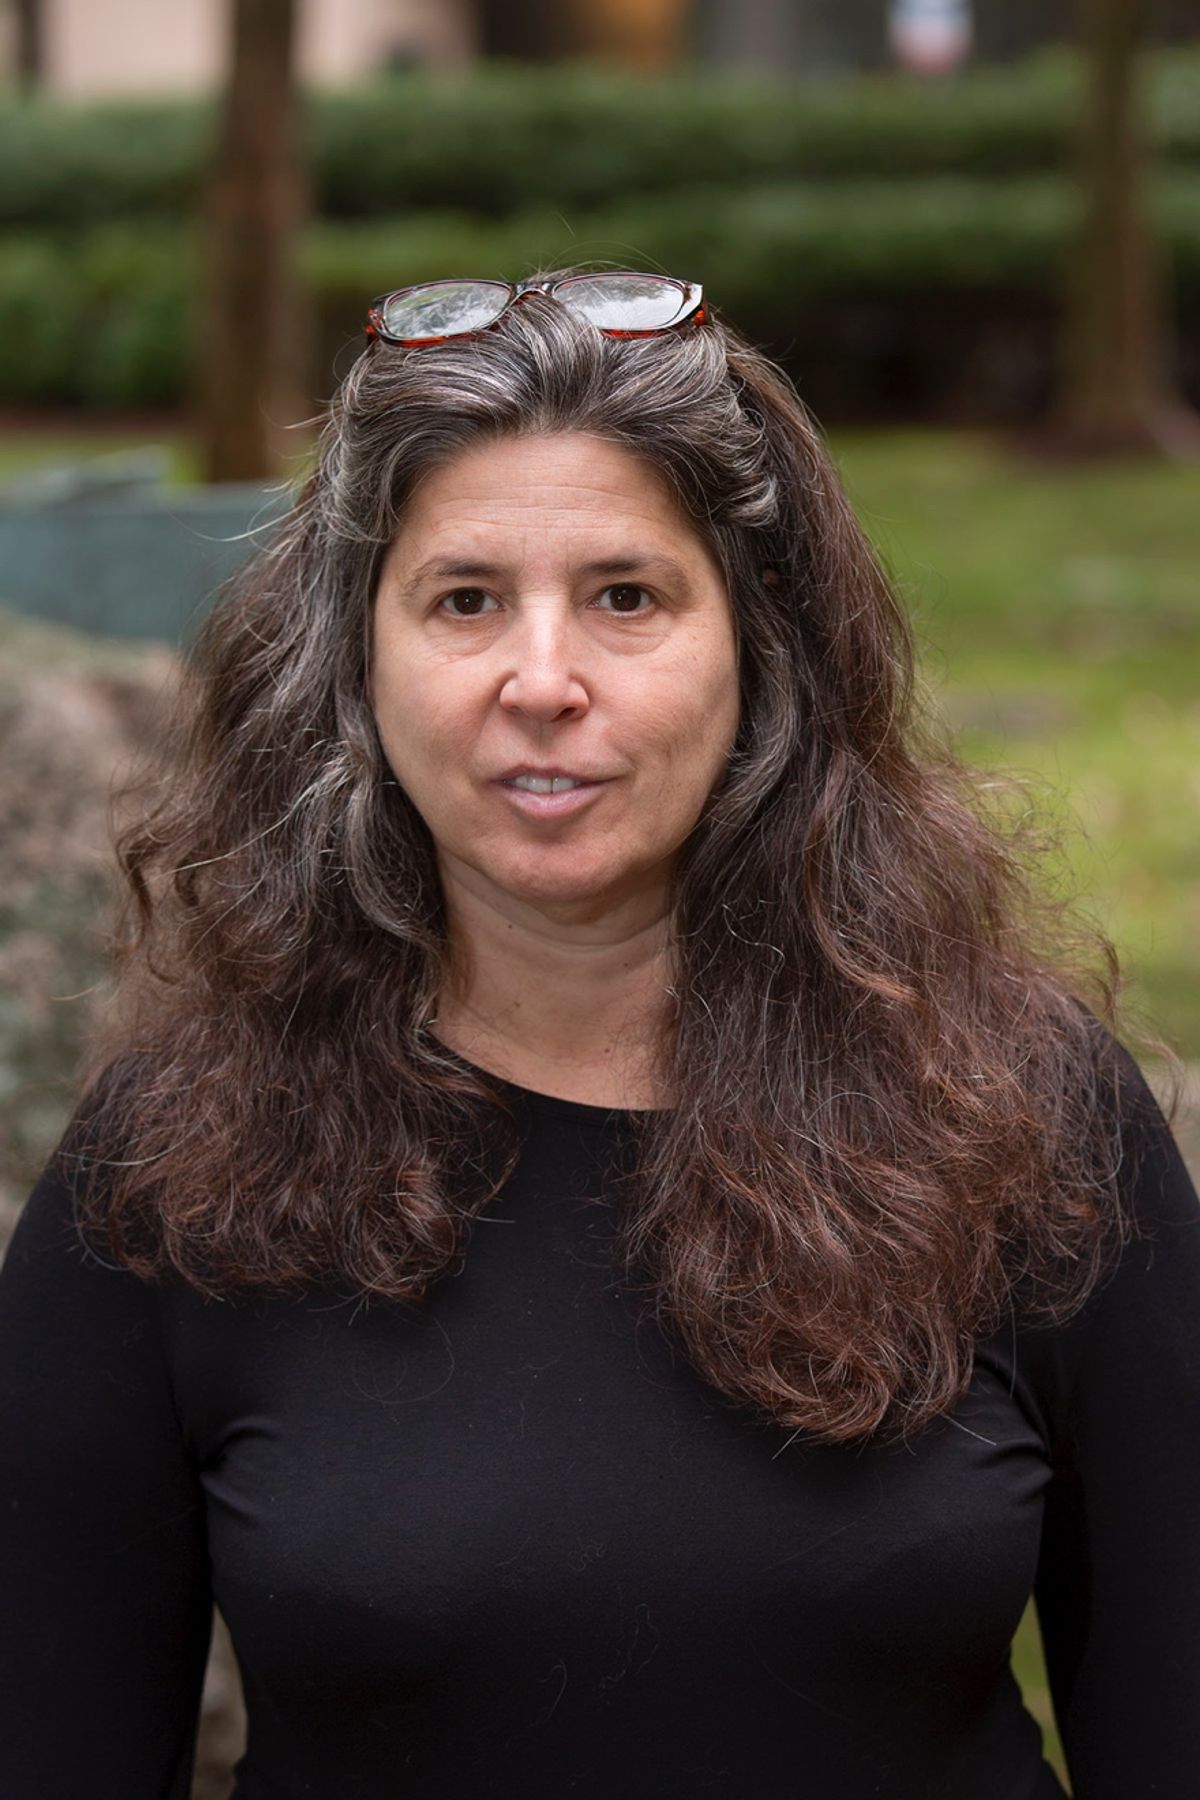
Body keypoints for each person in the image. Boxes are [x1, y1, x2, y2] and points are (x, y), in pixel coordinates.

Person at [1, 267, 1197, 1799]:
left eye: (627, 596)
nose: (542, 682)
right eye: (465, 600)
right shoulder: (169, 1176)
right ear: (358, 662)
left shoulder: (1022, 1121)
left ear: (762, 650)